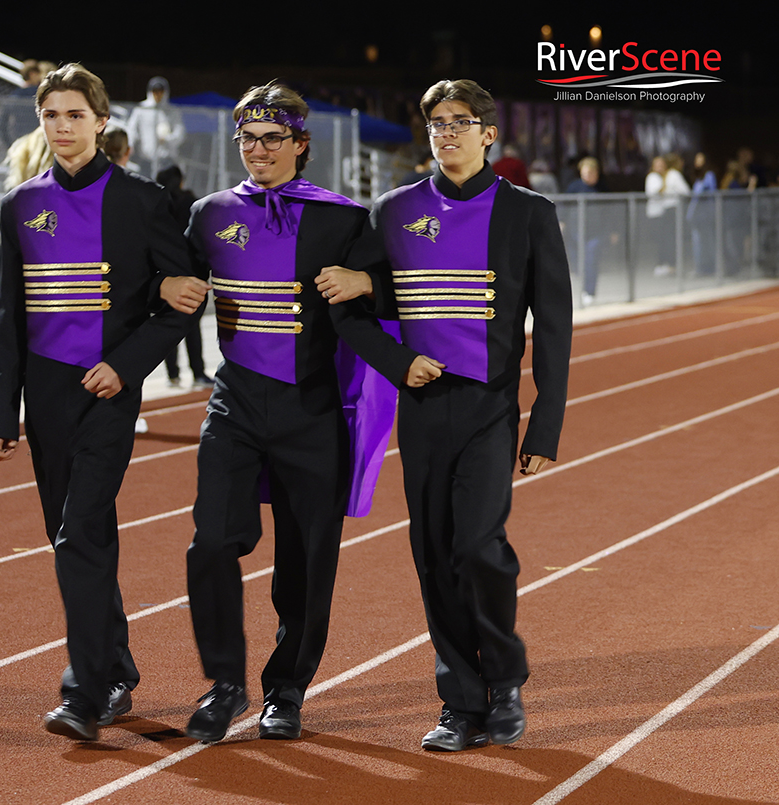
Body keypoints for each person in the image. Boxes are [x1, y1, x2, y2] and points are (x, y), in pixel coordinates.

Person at [159, 81, 425, 744]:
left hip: (314, 411)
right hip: (236, 404)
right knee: (212, 541)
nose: (257, 150)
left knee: (307, 559)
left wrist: (370, 283)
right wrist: (161, 286)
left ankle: (286, 689)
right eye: (247, 138)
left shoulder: (341, 219)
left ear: (300, 144)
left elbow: (399, 290)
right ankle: (223, 683)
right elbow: (167, 288)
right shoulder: (208, 213)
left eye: (272, 138)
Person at [317, 78, 572, 752]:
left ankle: (506, 679)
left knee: (478, 548)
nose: (447, 132)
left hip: (490, 405)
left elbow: (552, 326)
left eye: (461, 121)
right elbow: (348, 308)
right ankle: (460, 701)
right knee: (432, 554)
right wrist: (397, 362)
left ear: (488, 132)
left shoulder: (527, 212)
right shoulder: (392, 210)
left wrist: (544, 422)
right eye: (435, 121)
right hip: (422, 406)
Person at [0, 63, 200, 742]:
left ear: (102, 121)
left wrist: (127, 365)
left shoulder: (141, 200)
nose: (62, 126)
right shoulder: (20, 203)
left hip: (106, 392)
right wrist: (3, 412)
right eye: (50, 115)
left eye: (75, 114)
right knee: (78, 536)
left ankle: (83, 689)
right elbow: (9, 317)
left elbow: (183, 300)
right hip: (45, 397)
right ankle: (114, 672)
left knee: (79, 531)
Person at [155, 164, 214, 390]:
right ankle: (198, 372)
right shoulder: (190, 203)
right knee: (192, 325)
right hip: (189, 271)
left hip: (165, 273)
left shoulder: (156, 202)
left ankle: (172, 375)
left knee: (168, 325)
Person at [126, 76, 185, 178]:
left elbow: (179, 132)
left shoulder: (172, 111)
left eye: (160, 91)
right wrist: (130, 145)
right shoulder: (142, 109)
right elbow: (132, 129)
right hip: (146, 159)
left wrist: (167, 139)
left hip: (166, 160)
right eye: (155, 91)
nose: (158, 95)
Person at [565, 156, 605, 305]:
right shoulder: (574, 187)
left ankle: (589, 291)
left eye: (591, 172)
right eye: (585, 172)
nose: (588, 175)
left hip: (595, 232)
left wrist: (613, 231)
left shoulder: (602, 188)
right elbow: (565, 205)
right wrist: (562, 221)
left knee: (591, 260)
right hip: (576, 231)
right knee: (577, 263)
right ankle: (581, 290)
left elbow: (610, 212)